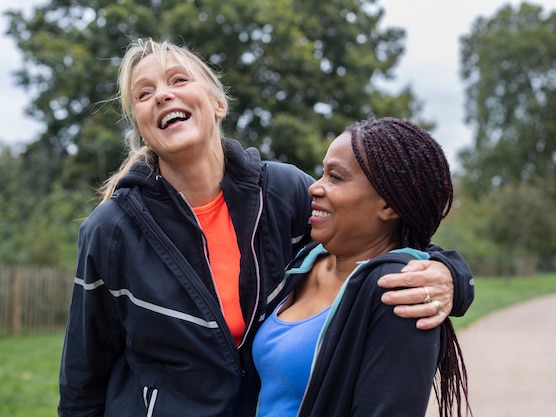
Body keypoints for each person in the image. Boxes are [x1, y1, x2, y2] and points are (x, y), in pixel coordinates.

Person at [57, 38, 474, 417]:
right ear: (142, 127)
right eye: (143, 95)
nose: (161, 95)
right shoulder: (111, 230)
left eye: (178, 80)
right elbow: (82, 380)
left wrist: (449, 275)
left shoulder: (283, 191)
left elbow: (376, 226)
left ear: (217, 103)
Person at [253, 117, 472, 417]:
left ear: (388, 205)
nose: (314, 188)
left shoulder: (401, 291)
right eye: (323, 173)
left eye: (336, 177)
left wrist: (454, 279)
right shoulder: (305, 261)